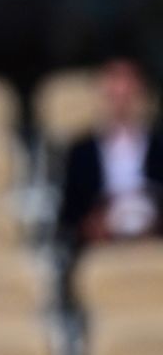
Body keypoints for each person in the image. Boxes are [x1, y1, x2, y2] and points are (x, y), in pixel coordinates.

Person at [58, 58, 163, 249]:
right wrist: (90, 224)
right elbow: (68, 214)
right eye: (114, 93)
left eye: (128, 92)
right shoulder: (81, 151)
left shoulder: (158, 147)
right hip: (101, 243)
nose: (121, 101)